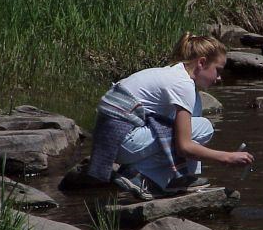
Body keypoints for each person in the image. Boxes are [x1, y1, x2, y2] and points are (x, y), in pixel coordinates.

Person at [88, 32, 254, 200]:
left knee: (190, 121)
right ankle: (139, 174)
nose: (219, 78)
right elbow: (185, 146)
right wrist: (225, 157)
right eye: (217, 70)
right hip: (122, 142)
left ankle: (180, 178)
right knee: (204, 127)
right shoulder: (183, 85)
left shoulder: (175, 75)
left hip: (110, 142)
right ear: (202, 63)